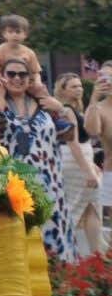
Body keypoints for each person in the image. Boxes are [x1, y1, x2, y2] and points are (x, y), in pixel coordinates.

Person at [0, 55, 76, 261]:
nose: (17, 78)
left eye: (22, 74)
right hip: (14, 187)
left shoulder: (44, 103)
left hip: (51, 188)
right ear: (3, 76)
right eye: (11, 74)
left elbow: (69, 135)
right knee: (21, 245)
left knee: (54, 248)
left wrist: (61, 109)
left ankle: (61, 287)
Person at [55, 73, 105, 256]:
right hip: (75, 161)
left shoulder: (74, 109)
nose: (79, 89)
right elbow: (73, 142)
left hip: (80, 160)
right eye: (73, 87)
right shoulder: (67, 110)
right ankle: (90, 255)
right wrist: (88, 170)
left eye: (80, 86)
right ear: (63, 90)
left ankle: (91, 255)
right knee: (84, 206)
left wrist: (91, 165)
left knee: (88, 205)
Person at [85, 63, 112, 233]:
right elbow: (92, 131)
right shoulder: (99, 108)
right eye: (103, 77)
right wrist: (94, 99)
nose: (107, 82)